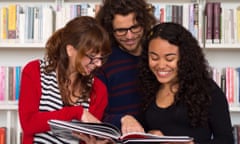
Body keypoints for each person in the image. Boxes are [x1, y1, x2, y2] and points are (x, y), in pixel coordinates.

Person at [128, 22, 234, 144]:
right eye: (154, 58)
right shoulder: (149, 85)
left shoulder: (208, 90)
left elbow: (226, 140)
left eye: (170, 58)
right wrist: (149, 136)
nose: (161, 65)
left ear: (184, 58)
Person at [18, 16, 112, 144]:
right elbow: (28, 124)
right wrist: (76, 112)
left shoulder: (98, 89)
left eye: (101, 57)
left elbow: (87, 139)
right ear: (70, 50)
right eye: (92, 57)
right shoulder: (34, 71)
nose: (99, 64)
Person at [95, 0, 156, 130]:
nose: (129, 36)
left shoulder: (157, 56)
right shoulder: (102, 62)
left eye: (134, 27)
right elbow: (95, 114)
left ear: (144, 24)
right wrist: (122, 119)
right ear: (110, 30)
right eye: (121, 30)